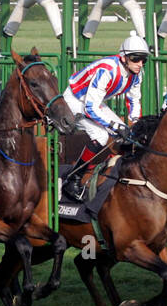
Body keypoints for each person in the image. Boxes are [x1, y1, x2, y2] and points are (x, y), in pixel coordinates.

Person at [60, 35, 147, 202]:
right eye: (136, 59)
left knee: (128, 135)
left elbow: (134, 100)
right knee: (100, 135)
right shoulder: (107, 70)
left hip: (93, 101)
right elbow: (90, 107)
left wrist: (135, 123)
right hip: (74, 100)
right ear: (123, 57)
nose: (140, 64)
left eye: (144, 60)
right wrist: (114, 125)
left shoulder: (137, 74)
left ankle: (116, 173)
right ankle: (74, 178)